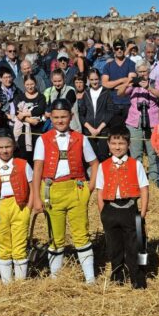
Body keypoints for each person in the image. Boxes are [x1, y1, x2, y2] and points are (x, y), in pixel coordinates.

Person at [32, 99, 98, 284]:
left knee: (81, 234)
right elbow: (37, 169)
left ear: (71, 117)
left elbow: (94, 164)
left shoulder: (81, 138)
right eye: (56, 117)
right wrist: (36, 197)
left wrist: (89, 188)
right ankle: (55, 279)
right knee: (55, 236)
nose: (60, 121)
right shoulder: (42, 140)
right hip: (52, 191)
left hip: (76, 189)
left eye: (64, 117)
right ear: (51, 118)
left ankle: (90, 278)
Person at [96, 126, 149, 288]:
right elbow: (99, 191)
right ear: (108, 144)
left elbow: (144, 189)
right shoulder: (103, 166)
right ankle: (117, 277)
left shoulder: (136, 164)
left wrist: (143, 213)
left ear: (128, 144)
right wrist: (103, 213)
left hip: (130, 209)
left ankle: (137, 279)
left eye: (121, 143)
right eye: (114, 143)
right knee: (114, 246)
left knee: (134, 246)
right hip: (110, 209)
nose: (117, 147)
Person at [0, 129, 33, 283]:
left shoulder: (23, 164)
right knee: (3, 242)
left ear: (13, 146)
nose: (4, 150)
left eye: (7, 147)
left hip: (19, 206)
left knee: (19, 243)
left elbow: (32, 187)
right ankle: (7, 283)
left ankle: (20, 282)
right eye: (0, 147)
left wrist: (29, 207)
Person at [120, 60, 159, 182]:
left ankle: (153, 180)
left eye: (145, 71)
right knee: (135, 153)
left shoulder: (154, 82)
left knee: (152, 153)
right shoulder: (133, 83)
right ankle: (137, 179)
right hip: (134, 122)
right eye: (140, 71)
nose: (143, 74)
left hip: (152, 122)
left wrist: (148, 87)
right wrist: (129, 81)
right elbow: (120, 93)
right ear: (137, 72)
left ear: (149, 72)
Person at [78, 69, 114, 162]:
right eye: (92, 79)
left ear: (100, 79)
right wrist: (90, 129)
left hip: (103, 130)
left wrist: (98, 129)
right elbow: (81, 114)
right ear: (88, 79)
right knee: (92, 158)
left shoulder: (106, 92)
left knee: (103, 156)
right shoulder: (85, 93)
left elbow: (110, 112)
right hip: (89, 131)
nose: (94, 82)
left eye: (96, 79)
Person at [13, 74, 47, 165]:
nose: (30, 87)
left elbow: (40, 110)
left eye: (31, 84)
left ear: (35, 83)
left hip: (37, 130)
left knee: (37, 155)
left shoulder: (41, 97)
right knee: (24, 155)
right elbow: (17, 113)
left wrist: (24, 114)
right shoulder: (20, 97)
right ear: (24, 85)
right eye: (27, 84)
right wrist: (30, 120)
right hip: (24, 131)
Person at [102, 38, 137, 125]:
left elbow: (131, 81)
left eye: (121, 48)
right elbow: (105, 84)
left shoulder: (131, 64)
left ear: (124, 49)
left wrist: (114, 85)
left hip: (127, 103)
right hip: (112, 103)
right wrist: (122, 80)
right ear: (113, 50)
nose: (119, 50)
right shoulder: (108, 66)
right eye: (117, 48)